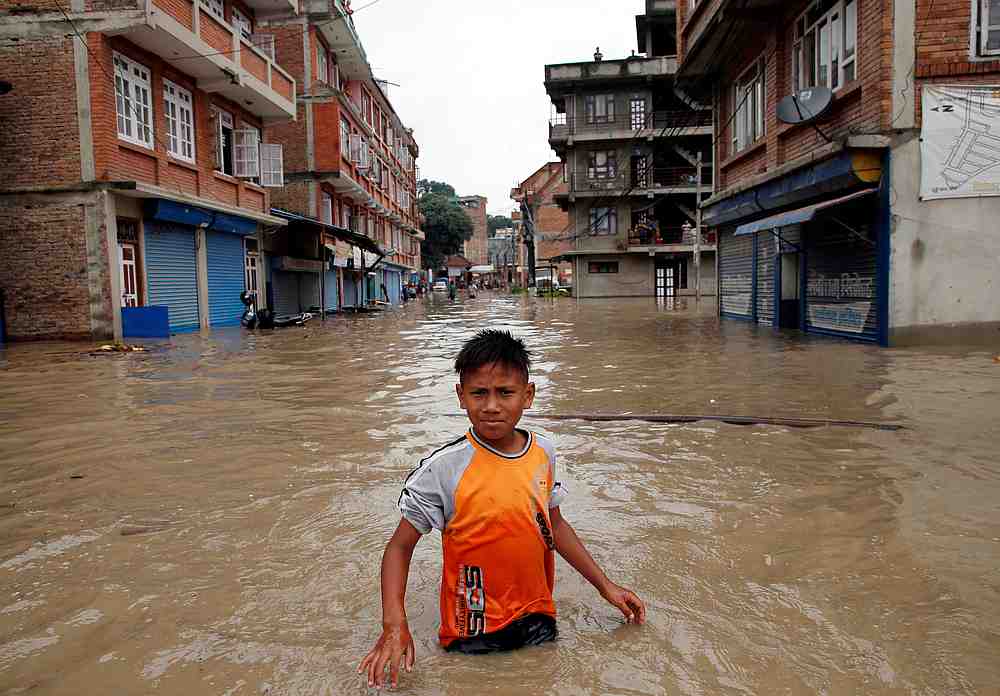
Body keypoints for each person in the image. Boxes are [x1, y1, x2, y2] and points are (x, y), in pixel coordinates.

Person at [358, 330, 645, 688]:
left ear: (528, 395)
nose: (491, 405)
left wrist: (606, 587)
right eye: (479, 393)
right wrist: (394, 624)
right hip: (471, 626)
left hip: (538, 614)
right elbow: (399, 547)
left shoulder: (543, 452)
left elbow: (553, 525)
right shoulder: (443, 468)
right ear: (461, 396)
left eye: (505, 393)